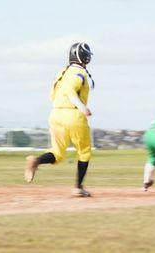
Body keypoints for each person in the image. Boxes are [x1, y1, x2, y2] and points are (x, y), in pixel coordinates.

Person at [25, 42, 95, 197]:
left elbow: (53, 94)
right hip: (74, 114)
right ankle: (78, 187)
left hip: (56, 114)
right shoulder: (79, 73)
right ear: (83, 56)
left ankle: (36, 161)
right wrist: (82, 107)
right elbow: (70, 91)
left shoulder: (62, 72)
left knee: (58, 152)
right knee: (84, 152)